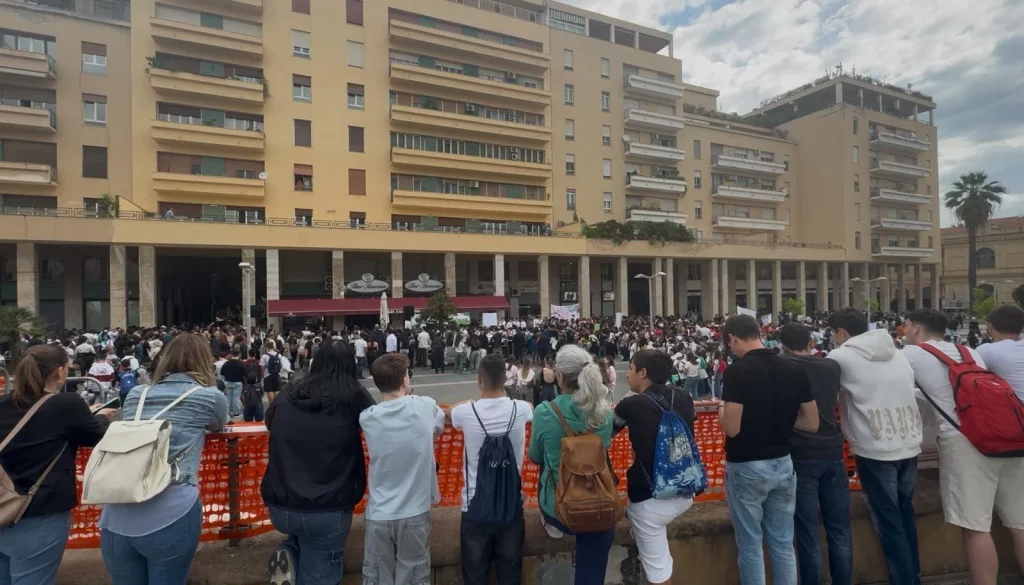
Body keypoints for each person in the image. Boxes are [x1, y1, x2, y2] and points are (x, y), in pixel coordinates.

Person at [903, 308, 1024, 585]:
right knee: (1020, 523)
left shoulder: (910, 355)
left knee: (976, 528)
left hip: (964, 442)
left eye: (906, 328)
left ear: (916, 329)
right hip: (1008, 437)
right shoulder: (971, 352)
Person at [99, 334, 229, 585]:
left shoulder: (137, 394)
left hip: (118, 509)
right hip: (173, 507)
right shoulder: (210, 397)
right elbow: (218, 425)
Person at [262, 339, 376, 585]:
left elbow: (270, 421)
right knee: (319, 573)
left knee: (304, 537)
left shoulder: (288, 391)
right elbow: (379, 426)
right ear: (350, 364)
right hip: (328, 506)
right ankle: (291, 551)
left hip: (280, 505)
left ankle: (290, 549)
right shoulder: (354, 394)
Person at [0, 345, 114, 585]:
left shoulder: (3, 404)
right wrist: (101, 417)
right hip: (40, 512)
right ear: (60, 371)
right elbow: (96, 437)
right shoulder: (67, 404)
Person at [719, 314, 819, 585]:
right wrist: (782, 419)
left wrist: (720, 410)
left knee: (751, 545)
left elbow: (731, 428)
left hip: (748, 465)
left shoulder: (737, 372)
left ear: (732, 338)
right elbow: (812, 422)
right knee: (784, 543)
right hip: (783, 462)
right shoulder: (794, 369)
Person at [827, 308, 922, 585]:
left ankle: (905, 580)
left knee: (888, 519)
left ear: (842, 333)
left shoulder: (841, 357)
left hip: (875, 446)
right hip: (908, 441)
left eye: (834, 333)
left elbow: (826, 396)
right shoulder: (897, 351)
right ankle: (913, 574)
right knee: (905, 513)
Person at [528, 344, 615, 585]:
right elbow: (604, 446)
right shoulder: (604, 413)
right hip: (598, 501)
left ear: (559, 376)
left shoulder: (545, 411)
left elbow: (535, 456)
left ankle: (551, 524)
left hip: (558, 508)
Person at [447, 354, 533, 585]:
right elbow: (532, 407)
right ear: (506, 378)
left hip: (475, 507)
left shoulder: (466, 412)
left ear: (479, 379)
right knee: (511, 573)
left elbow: (449, 412)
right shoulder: (521, 409)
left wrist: (469, 402)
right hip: (511, 505)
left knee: (475, 576)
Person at [360, 353, 445, 585]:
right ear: (405, 381)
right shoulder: (425, 406)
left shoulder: (367, 417)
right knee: (414, 576)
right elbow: (439, 425)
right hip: (414, 511)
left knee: (377, 578)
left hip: (378, 513)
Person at [614, 350, 697, 585]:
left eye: (630, 368)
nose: (627, 374)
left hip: (649, 499)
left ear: (643, 372)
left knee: (659, 574)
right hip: (685, 489)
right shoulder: (684, 397)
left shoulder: (630, 404)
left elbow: (605, 435)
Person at [778, 323, 852, 585]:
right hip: (833, 450)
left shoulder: (784, 367)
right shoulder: (831, 366)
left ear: (783, 345)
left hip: (801, 452)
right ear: (811, 341)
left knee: (807, 531)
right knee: (840, 527)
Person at [260, 340, 292, 406]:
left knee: (270, 391)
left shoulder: (264, 356)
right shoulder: (279, 355)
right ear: (273, 346)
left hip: (267, 375)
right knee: (277, 390)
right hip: (277, 375)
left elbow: (262, 367)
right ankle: (277, 404)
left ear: (266, 347)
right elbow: (281, 365)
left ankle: (272, 405)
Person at [220, 349, 246, 420]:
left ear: (231, 354)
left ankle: (228, 411)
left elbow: (222, 373)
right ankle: (236, 412)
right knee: (236, 398)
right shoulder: (240, 363)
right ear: (239, 354)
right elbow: (244, 373)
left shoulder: (227, 363)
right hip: (238, 382)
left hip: (228, 381)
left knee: (228, 397)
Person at [242, 348, 265, 423]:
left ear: (249, 354)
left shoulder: (245, 363)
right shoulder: (258, 362)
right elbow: (261, 372)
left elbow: (244, 374)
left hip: (247, 384)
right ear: (255, 354)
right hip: (257, 383)